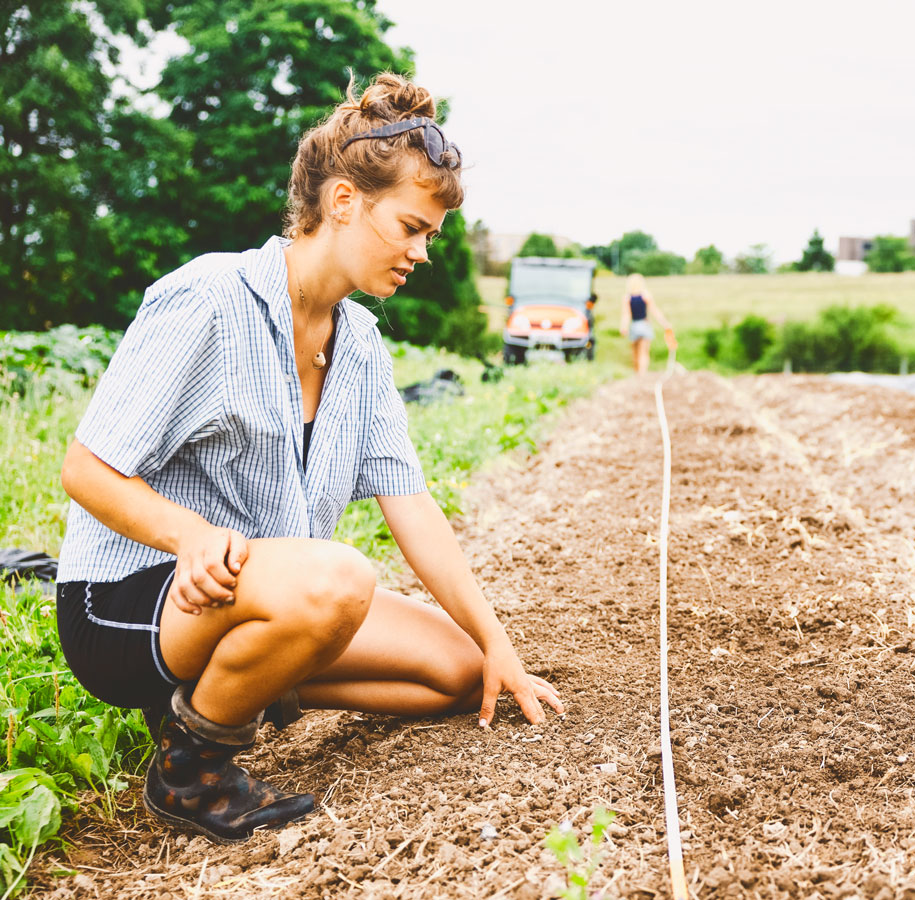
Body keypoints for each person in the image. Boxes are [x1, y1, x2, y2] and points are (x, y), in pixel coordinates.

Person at [54, 73, 564, 845]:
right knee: (341, 576)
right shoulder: (209, 299)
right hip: (125, 603)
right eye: (411, 226)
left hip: (256, 595)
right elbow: (85, 470)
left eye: (431, 234)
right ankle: (191, 767)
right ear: (343, 202)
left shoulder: (359, 344)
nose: (422, 252)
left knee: (460, 673)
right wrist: (188, 536)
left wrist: (500, 647)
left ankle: (249, 677)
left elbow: (410, 504)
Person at [621, 273, 675, 373]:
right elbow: (654, 311)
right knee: (644, 352)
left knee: (635, 353)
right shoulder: (646, 295)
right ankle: (643, 374)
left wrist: (624, 327)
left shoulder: (627, 298)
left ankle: (637, 374)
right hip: (645, 325)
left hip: (634, 326)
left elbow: (626, 315)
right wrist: (665, 324)